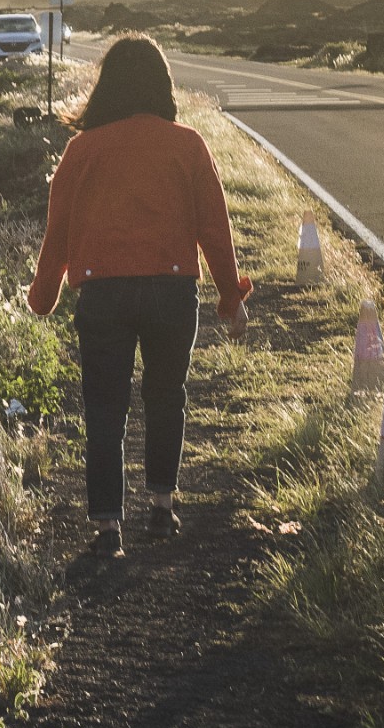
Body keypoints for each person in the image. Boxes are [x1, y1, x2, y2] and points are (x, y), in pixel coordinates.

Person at [27, 34, 251, 559]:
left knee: (105, 409)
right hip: (172, 289)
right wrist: (230, 298)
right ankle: (161, 507)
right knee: (165, 397)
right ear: (163, 86)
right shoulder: (187, 144)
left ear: (106, 87)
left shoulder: (81, 150)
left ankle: (107, 528)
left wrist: (43, 296)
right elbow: (214, 229)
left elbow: (56, 231)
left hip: (101, 293)